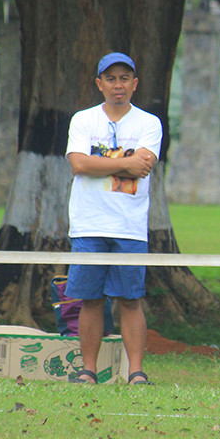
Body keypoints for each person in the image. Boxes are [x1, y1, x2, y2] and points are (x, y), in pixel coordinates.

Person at [65, 52, 160, 386]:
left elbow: (144, 164)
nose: (117, 85)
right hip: (88, 224)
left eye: (124, 79)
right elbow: (78, 164)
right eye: (110, 79)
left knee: (130, 300)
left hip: (129, 226)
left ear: (134, 84)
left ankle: (136, 372)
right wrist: (125, 163)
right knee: (90, 299)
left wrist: (97, 161)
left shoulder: (149, 123)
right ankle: (88, 370)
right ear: (99, 84)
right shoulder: (82, 120)